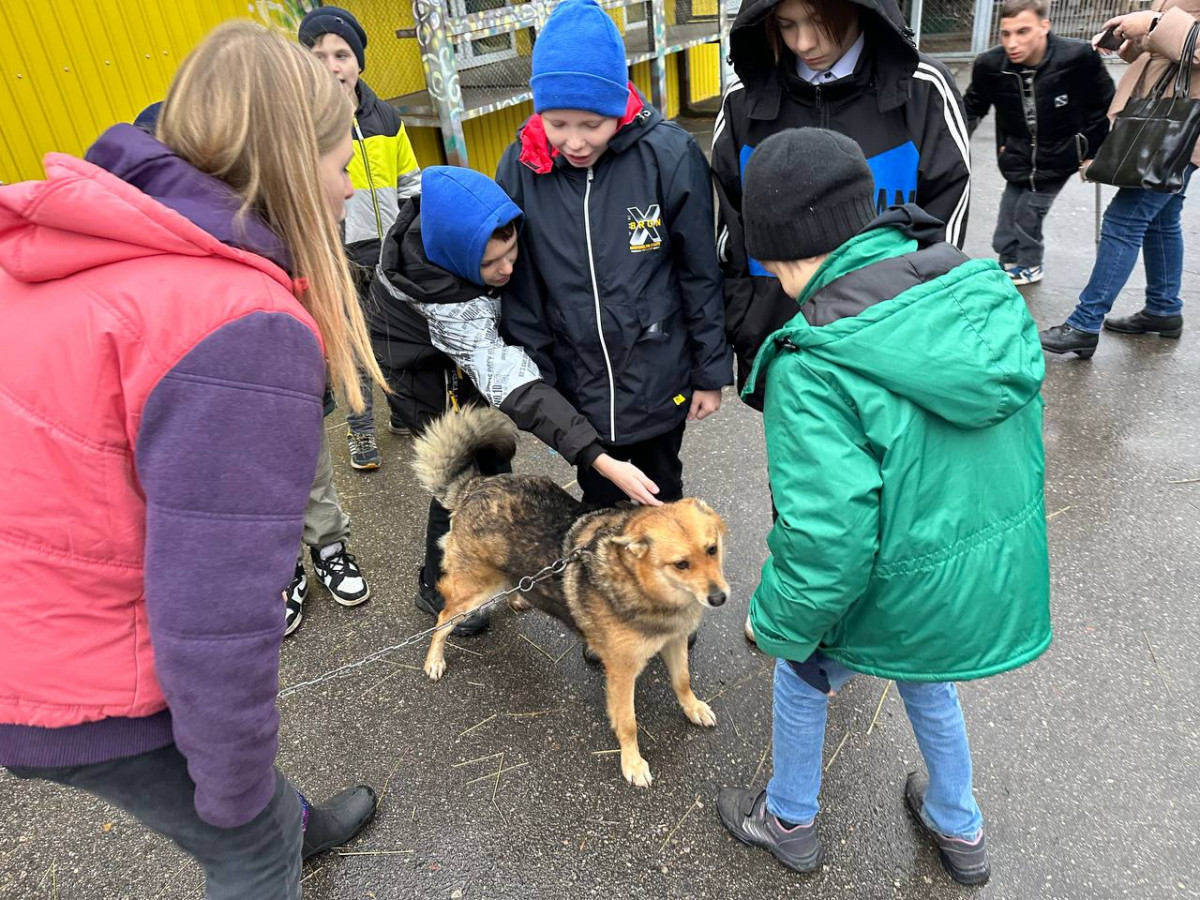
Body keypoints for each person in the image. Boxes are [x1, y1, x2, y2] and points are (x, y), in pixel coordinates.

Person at [0, 23, 380, 898]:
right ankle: (274, 833)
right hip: (77, 670)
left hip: (33, 619)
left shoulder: (88, 248)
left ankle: (292, 818)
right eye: (340, 156)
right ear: (294, 160)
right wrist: (238, 790)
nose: (348, 180)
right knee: (243, 846)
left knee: (231, 785)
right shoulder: (237, 325)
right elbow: (213, 617)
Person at [713, 129, 1051, 886]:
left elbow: (829, 539)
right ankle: (960, 826)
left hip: (888, 581)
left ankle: (788, 818)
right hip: (968, 571)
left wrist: (775, 622)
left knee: (799, 670)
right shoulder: (970, 288)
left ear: (772, 249)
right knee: (925, 673)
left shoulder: (815, 359)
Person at [372, 165, 665, 635]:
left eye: (512, 253)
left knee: (493, 468)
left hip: (465, 364)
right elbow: (509, 378)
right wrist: (597, 457)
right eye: (493, 265)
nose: (508, 269)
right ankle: (436, 586)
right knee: (456, 476)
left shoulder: (465, 218)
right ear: (458, 258)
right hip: (420, 374)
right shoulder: (450, 306)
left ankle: (499, 565)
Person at [495, 0, 732, 512]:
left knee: (660, 497)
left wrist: (710, 371)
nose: (575, 142)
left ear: (620, 105)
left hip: (658, 372)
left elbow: (699, 271)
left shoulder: (668, 155)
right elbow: (523, 288)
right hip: (578, 381)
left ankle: (661, 590)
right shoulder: (519, 166)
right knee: (600, 504)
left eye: (592, 123)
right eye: (558, 123)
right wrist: (544, 393)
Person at [712, 0, 971, 403]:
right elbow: (731, 232)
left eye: (819, 21)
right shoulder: (743, 99)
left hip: (894, 349)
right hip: (783, 349)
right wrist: (747, 328)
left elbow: (945, 229)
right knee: (799, 460)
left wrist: (922, 327)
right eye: (785, 25)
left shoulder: (922, 87)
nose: (803, 42)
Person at [299, 5, 422, 470]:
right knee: (351, 348)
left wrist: (409, 236)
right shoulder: (305, 126)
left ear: (357, 63)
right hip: (338, 256)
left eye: (342, 54)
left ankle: (399, 413)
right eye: (318, 56)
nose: (332, 66)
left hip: (387, 252)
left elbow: (410, 184)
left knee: (392, 339)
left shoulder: (388, 119)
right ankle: (360, 429)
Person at [1041, 1, 1200, 357]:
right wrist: (1132, 36)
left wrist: (1153, 21)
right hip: (1167, 122)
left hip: (1180, 128)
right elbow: (1165, 56)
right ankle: (1163, 309)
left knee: (1124, 220)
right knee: (1162, 218)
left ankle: (1084, 324)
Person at [964, 0, 1114, 286]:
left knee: (1028, 211)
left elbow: (1103, 105)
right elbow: (971, 108)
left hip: (1061, 154)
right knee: (1008, 217)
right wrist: (952, 146)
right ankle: (1008, 259)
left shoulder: (1078, 57)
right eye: (1006, 34)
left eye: (1022, 32)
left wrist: (1090, 151)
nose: (1012, 43)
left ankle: (1030, 264)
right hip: (1016, 153)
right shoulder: (990, 65)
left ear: (1044, 26)